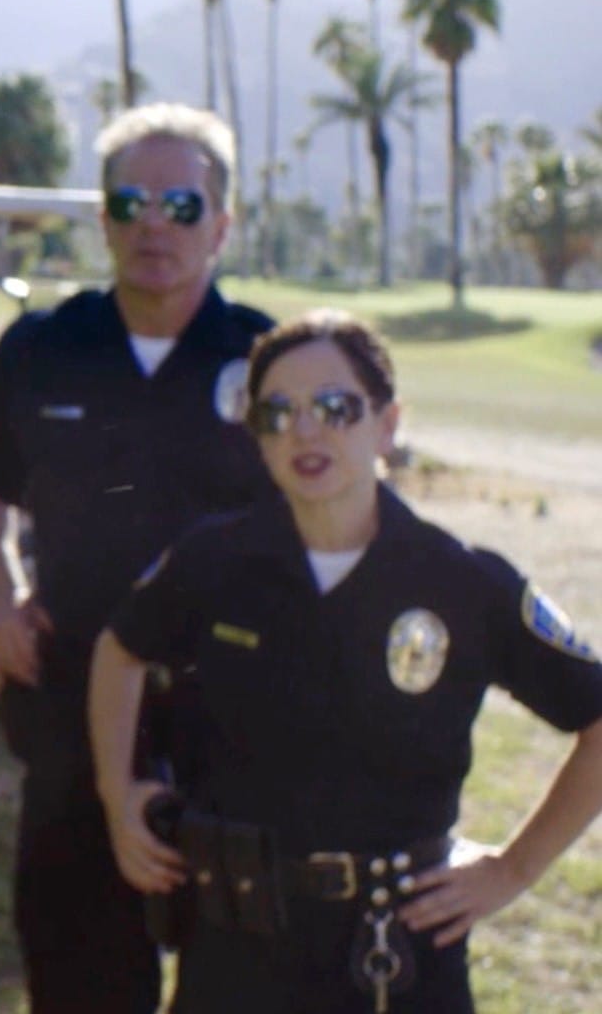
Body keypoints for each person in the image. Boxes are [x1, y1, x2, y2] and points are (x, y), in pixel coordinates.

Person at [89, 311, 602, 1012]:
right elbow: (119, 652)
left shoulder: (462, 581)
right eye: (278, 412)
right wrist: (118, 798)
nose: (306, 430)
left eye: (335, 407)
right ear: (259, 439)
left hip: (393, 952)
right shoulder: (215, 561)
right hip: (234, 947)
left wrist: (515, 868)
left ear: (387, 425)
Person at [0, 103, 277, 1011]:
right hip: (71, 692)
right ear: (102, 221)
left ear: (223, 226)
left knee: (234, 970)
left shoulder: (269, 357)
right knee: (79, 965)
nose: (153, 223)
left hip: (235, 710)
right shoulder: (45, 346)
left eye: (181, 203)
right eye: (129, 202)